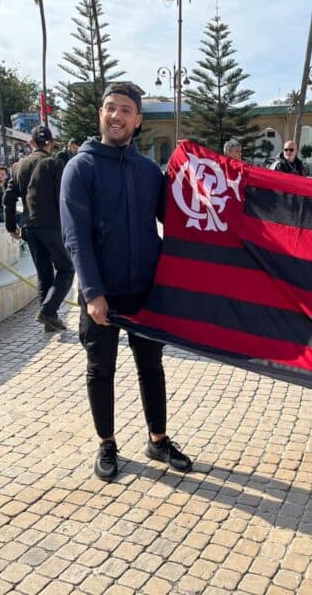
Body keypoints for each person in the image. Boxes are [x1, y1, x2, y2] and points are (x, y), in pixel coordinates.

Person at [60, 82, 193, 481]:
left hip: (144, 291)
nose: (115, 115)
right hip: (102, 295)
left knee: (151, 367)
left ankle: (158, 438)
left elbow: (178, 220)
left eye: (124, 110)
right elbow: (75, 237)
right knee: (101, 370)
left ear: (137, 121)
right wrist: (92, 293)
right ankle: (107, 443)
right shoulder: (79, 168)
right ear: (100, 114)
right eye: (109, 108)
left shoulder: (149, 171)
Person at [3, 125, 74, 333]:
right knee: (67, 269)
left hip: (29, 228)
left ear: (31, 143)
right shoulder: (55, 164)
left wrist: (11, 227)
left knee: (44, 274)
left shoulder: (18, 167)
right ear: (51, 144)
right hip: (50, 226)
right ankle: (48, 310)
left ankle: (49, 321)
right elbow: (62, 199)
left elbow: (8, 199)